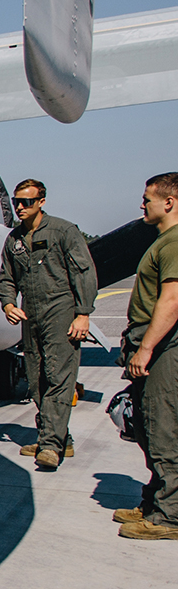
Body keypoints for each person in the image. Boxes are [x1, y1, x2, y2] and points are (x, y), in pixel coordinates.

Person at [0, 179, 97, 471]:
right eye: (16, 202)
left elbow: (84, 273)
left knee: (58, 377)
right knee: (36, 376)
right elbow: (6, 277)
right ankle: (56, 437)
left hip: (61, 310)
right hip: (31, 313)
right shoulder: (14, 239)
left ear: (41, 202)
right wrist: (8, 303)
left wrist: (83, 313)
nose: (19, 207)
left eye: (26, 202)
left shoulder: (63, 231)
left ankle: (51, 445)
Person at [118, 172, 178, 539]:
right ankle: (155, 502)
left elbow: (171, 302)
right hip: (153, 344)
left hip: (163, 347)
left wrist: (146, 348)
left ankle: (169, 517)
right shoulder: (163, 241)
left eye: (148, 199)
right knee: (146, 427)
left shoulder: (173, 243)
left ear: (168, 203)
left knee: (163, 429)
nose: (142, 205)